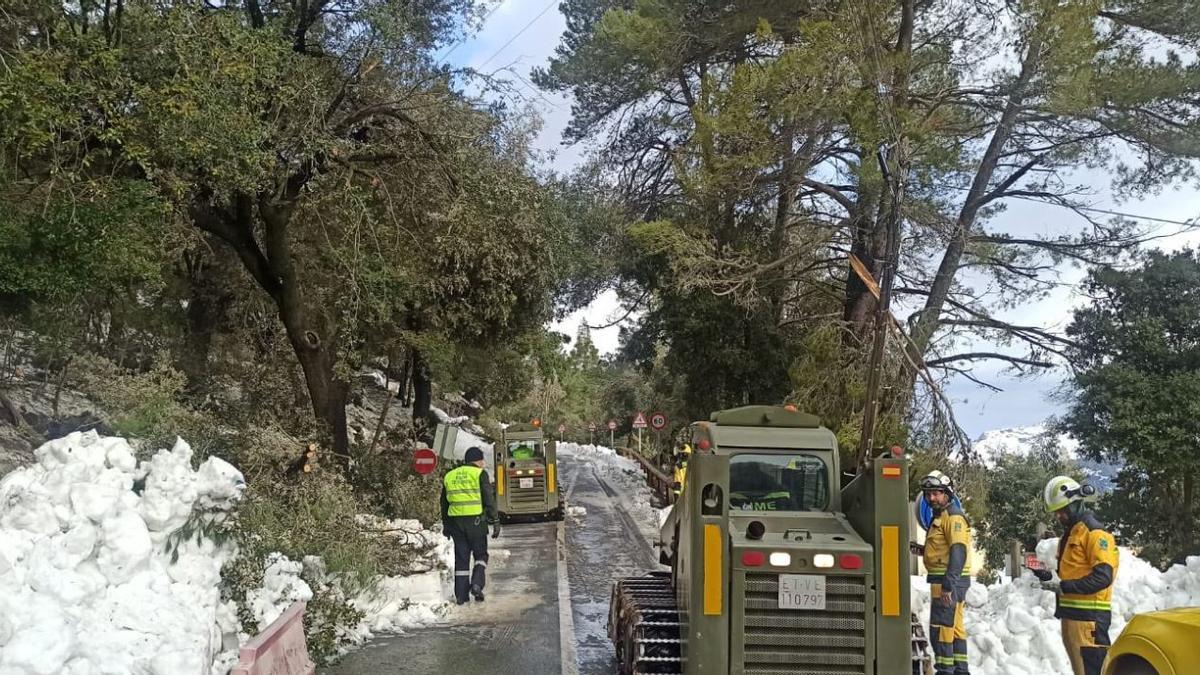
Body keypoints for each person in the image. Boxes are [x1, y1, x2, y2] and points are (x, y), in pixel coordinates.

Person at [1033, 476, 1118, 675]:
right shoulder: (1073, 533)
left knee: (1092, 671)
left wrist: (1065, 587)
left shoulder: (1095, 533)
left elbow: (1103, 577)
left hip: (1090, 620)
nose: (1058, 516)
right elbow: (1073, 571)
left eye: (1061, 511)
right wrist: (1049, 577)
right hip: (1074, 618)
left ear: (1075, 503)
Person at [919, 470, 971, 675]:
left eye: (937, 493)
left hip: (948, 583)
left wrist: (948, 586)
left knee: (941, 630)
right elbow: (944, 549)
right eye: (928, 494)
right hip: (948, 581)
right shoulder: (941, 517)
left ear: (947, 493)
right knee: (955, 629)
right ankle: (960, 670)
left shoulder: (953, 517)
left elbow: (958, 550)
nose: (932, 498)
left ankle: (945, 671)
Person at [441, 446, 498, 605]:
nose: (483, 463)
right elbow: (488, 497)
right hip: (476, 522)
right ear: (478, 461)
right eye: (482, 460)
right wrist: (496, 520)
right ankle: (477, 584)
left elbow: (444, 504)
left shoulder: (449, 476)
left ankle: (461, 595)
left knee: (462, 559)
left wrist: (446, 526)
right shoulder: (479, 474)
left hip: (456, 524)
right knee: (480, 555)